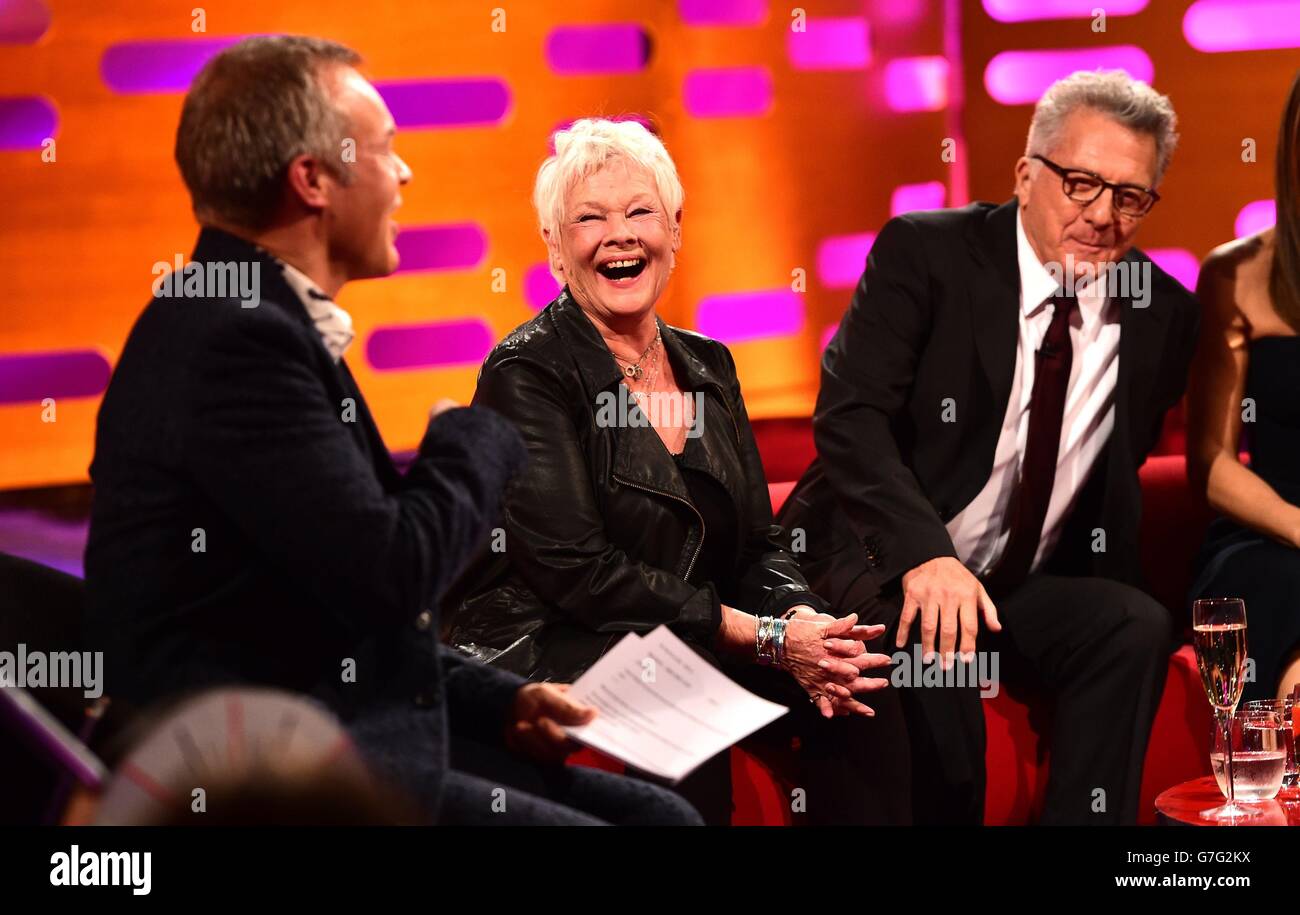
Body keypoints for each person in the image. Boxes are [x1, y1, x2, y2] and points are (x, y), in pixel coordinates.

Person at [83, 36, 700, 826]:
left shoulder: (246, 315)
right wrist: (469, 437)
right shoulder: (236, 341)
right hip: (265, 783)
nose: (404, 173)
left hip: (323, 727)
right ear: (313, 179)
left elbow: (334, 601)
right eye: (385, 149)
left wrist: (501, 701)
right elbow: (393, 569)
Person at [445, 118, 905, 826]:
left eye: (640, 212)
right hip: (553, 638)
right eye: (589, 218)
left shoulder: (708, 365)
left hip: (694, 627)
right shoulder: (529, 372)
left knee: (859, 682)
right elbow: (581, 571)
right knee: (686, 679)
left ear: (675, 229)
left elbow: (757, 543)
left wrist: (800, 618)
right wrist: (764, 637)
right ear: (556, 249)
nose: (620, 235)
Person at [778, 70, 1201, 824]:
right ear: (1027, 174)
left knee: (1132, 623)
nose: (1103, 215)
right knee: (937, 653)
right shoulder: (927, 253)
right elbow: (850, 415)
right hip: (880, 554)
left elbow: (1120, 466)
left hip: (1011, 579)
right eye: (1080, 183)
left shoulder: (1161, 313)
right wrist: (923, 554)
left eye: (1130, 196)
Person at [1187, 70, 1300, 704]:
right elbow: (1211, 462)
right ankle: (1282, 775)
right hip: (1271, 528)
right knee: (1278, 579)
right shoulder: (1236, 273)